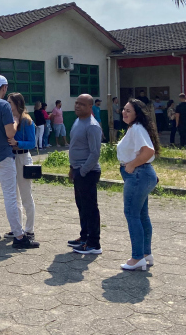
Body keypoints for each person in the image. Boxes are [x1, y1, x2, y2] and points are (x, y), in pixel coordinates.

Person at [0, 75, 39, 249]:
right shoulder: (3, 105)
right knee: (11, 195)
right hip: (3, 155)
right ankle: (19, 235)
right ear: (4, 87)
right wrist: (15, 123)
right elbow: (10, 133)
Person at [117, 98, 160, 271]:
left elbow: (149, 151)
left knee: (131, 214)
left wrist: (132, 164)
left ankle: (136, 258)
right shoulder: (134, 128)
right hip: (141, 175)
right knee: (142, 215)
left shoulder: (136, 128)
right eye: (124, 110)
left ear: (137, 114)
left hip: (138, 175)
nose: (124, 113)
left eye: (129, 111)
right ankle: (145, 254)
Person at [67, 94, 103, 255]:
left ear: (90, 107)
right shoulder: (78, 121)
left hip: (88, 172)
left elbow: (95, 153)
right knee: (81, 206)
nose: (77, 106)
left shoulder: (92, 126)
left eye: (81, 104)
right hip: (78, 170)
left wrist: (82, 171)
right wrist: (72, 168)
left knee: (90, 208)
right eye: (76, 103)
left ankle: (94, 243)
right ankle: (84, 237)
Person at [7, 92, 37, 240]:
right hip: (11, 159)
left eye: (10, 103)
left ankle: (29, 229)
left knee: (26, 195)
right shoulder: (8, 119)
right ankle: (16, 228)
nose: (8, 105)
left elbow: (32, 143)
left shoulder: (27, 121)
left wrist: (18, 143)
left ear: (17, 104)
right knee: (14, 196)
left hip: (23, 158)